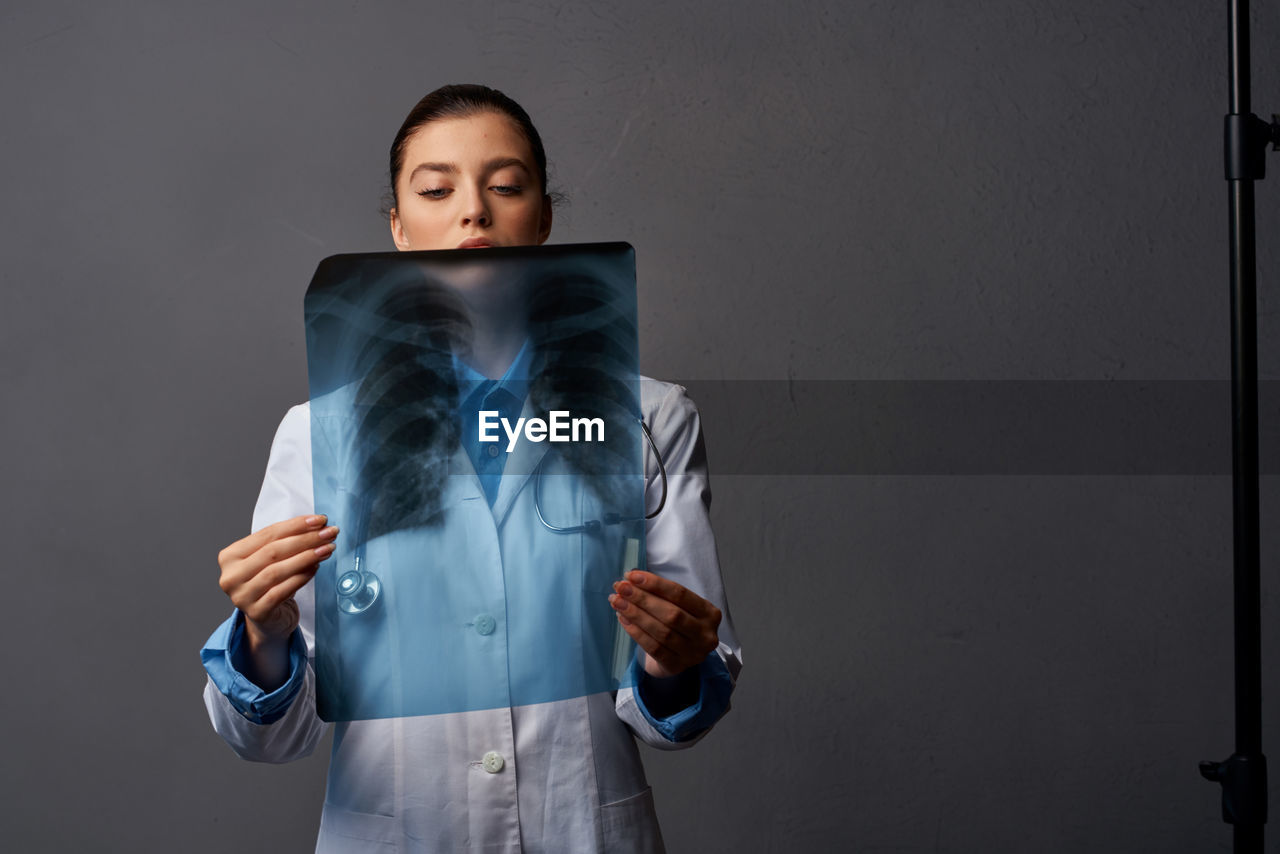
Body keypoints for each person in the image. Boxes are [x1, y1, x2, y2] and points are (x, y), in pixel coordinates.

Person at [201, 84, 741, 853]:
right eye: (435, 188)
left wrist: (672, 661)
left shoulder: (651, 420)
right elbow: (269, 739)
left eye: (506, 185)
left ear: (544, 218)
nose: (474, 212)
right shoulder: (319, 434)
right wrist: (264, 631)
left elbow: (681, 705)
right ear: (397, 226)